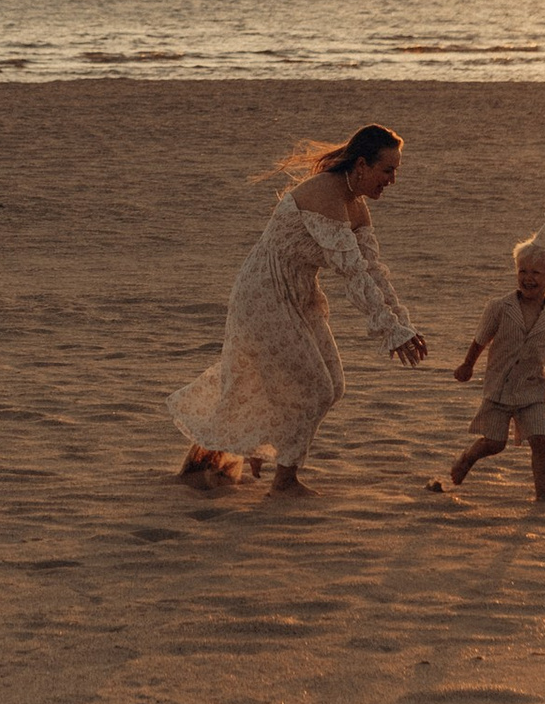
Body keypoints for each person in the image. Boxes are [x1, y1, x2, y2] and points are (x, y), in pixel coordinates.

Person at [170, 124, 429, 492]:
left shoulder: (355, 206)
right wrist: (390, 331)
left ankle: (216, 461)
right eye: (388, 170)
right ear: (361, 165)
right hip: (264, 295)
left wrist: (403, 325)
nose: (392, 180)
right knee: (314, 388)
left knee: (332, 385)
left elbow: (373, 273)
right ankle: (285, 478)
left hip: (300, 294)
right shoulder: (325, 195)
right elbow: (353, 275)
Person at [441, 209, 545, 503]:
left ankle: (542, 494)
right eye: (522, 271)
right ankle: (468, 457)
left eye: (535, 273)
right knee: (494, 443)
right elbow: (480, 339)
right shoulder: (499, 307)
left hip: (533, 389)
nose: (527, 278)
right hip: (499, 387)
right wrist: (467, 365)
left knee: (541, 440)